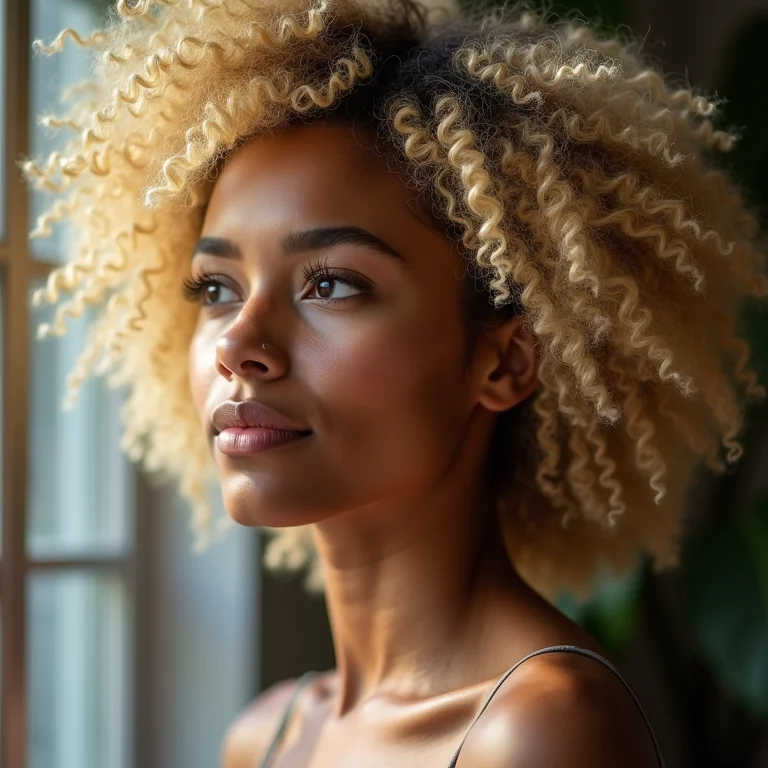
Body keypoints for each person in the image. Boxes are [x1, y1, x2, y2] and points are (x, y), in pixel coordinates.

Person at [25, 0, 768, 765]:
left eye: (331, 285)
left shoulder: (542, 732)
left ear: (504, 362)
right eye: (216, 288)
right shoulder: (265, 737)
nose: (238, 344)